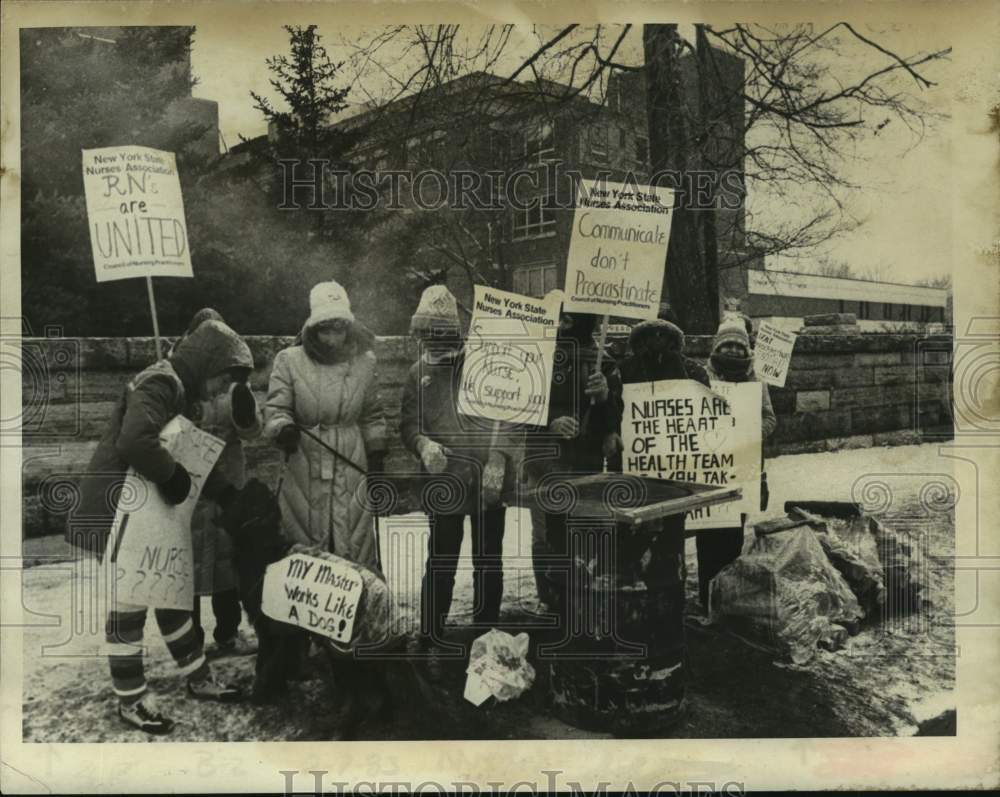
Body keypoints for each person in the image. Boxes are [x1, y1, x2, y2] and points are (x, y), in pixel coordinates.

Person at [71, 320, 252, 734]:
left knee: (171, 591)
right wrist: (172, 477)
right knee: (130, 602)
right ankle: (130, 697)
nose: (223, 391)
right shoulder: (160, 383)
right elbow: (135, 441)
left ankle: (198, 675)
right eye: (224, 379)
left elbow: (185, 452)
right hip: (123, 505)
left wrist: (225, 493)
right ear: (207, 364)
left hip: (150, 508)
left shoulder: (182, 393)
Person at [263, 280, 388, 734]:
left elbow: (372, 413)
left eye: (340, 328)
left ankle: (352, 674)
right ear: (312, 328)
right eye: (325, 329)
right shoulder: (288, 362)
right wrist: (282, 428)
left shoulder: (365, 362)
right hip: (305, 470)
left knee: (351, 565)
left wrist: (376, 455)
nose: (333, 337)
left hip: (350, 469)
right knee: (306, 568)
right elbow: (274, 408)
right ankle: (285, 663)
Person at [399, 286, 519, 655]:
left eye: (438, 333)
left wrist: (499, 459)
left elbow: (511, 416)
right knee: (441, 559)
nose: (431, 341)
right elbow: (409, 424)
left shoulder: (485, 363)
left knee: (487, 560)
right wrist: (423, 444)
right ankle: (432, 636)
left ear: (453, 331)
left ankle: (486, 636)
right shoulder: (419, 373)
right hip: (444, 482)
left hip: (486, 481)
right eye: (425, 334)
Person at [169, 309, 262, 658]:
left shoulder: (234, 381)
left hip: (226, 477)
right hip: (188, 479)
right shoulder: (178, 379)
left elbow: (252, 432)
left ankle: (228, 632)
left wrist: (246, 411)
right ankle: (189, 639)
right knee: (186, 563)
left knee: (228, 560)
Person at [525, 310, 623, 620]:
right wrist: (549, 423)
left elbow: (615, 417)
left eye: (567, 319)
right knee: (546, 534)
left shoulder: (603, 361)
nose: (560, 324)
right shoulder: (536, 357)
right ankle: (549, 598)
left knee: (583, 532)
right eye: (558, 318)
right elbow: (519, 409)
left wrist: (605, 396)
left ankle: (580, 601)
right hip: (544, 462)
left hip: (586, 461)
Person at [697, 314, 777, 611]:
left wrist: (751, 430)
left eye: (738, 346)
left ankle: (726, 600)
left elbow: (770, 418)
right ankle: (706, 598)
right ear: (718, 347)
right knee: (708, 538)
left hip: (742, 468)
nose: (732, 350)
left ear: (746, 350)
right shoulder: (702, 378)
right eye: (727, 345)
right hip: (710, 469)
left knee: (732, 538)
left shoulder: (756, 380)